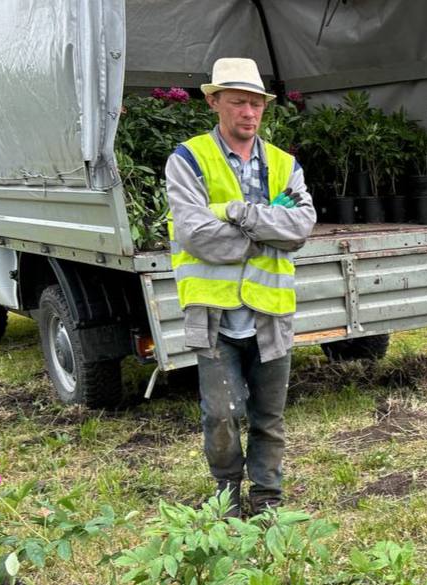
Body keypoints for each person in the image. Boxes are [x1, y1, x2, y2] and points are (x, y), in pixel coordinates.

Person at [165, 57, 315, 516]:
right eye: (238, 102)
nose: (248, 112)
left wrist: (238, 213)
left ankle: (267, 499)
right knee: (222, 416)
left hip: (270, 314)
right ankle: (227, 496)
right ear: (214, 102)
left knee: (270, 417)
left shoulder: (284, 164)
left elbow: (302, 226)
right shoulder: (188, 160)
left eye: (256, 103)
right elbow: (196, 235)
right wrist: (266, 232)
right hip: (215, 316)